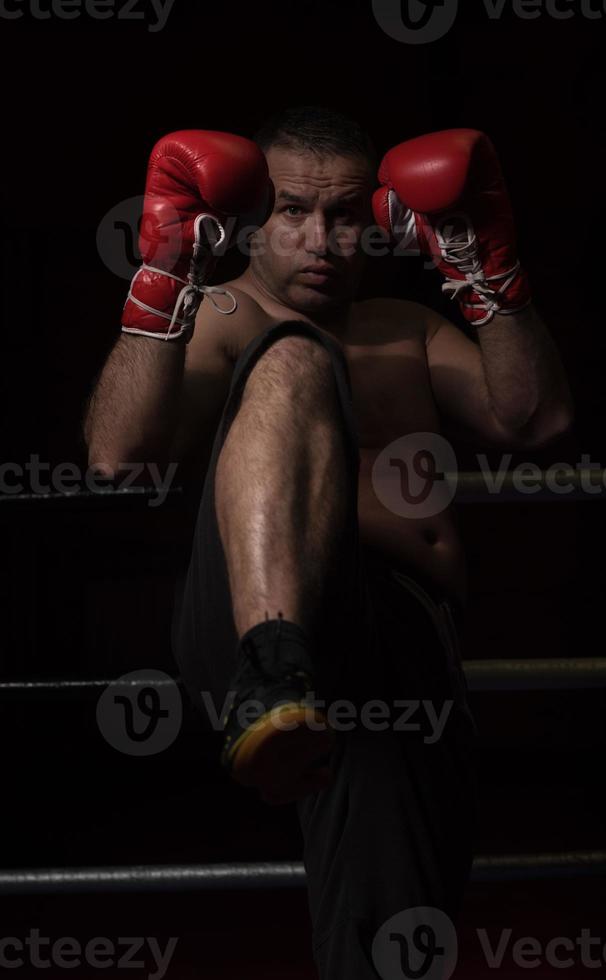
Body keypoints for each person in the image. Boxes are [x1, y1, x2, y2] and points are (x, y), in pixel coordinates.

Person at [84, 106, 574, 978]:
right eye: (293, 212)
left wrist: (487, 269)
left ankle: (292, 689)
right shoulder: (226, 310)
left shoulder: (406, 325)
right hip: (245, 629)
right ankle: (275, 663)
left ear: (378, 220)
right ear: (250, 219)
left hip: (396, 633)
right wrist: (163, 277)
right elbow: (117, 456)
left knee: (397, 918)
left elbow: (535, 417)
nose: (322, 239)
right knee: (296, 357)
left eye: (345, 215)